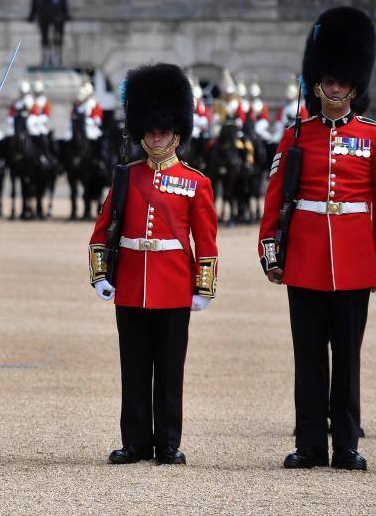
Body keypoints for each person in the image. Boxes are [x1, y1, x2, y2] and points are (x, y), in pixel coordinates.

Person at [258, 6, 376, 471]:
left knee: (348, 359)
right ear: (318, 81)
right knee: (308, 357)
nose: (333, 88)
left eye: (341, 81)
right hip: (306, 258)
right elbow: (275, 200)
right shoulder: (296, 135)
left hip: (353, 261)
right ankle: (310, 442)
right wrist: (270, 249)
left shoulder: (374, 138)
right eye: (327, 80)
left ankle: (346, 445)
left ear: (353, 85)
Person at [88, 63, 218, 466]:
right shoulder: (126, 177)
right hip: (130, 284)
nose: (157, 136)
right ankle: (135, 442)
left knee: (169, 372)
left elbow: (206, 240)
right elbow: (103, 230)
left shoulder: (195, 182)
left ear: (177, 132)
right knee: (134, 369)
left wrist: (204, 287)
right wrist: (100, 276)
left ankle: (168, 443)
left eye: (163, 130)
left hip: (174, 286)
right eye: (151, 130)